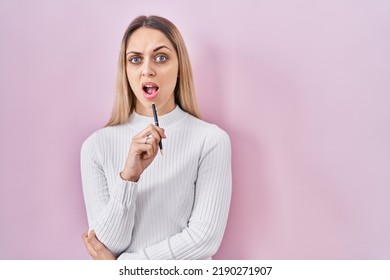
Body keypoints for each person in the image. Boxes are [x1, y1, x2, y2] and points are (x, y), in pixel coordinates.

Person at [80, 15, 232, 260]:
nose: (147, 70)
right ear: (125, 70)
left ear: (179, 66)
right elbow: (106, 245)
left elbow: (204, 239)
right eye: (135, 59)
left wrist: (125, 267)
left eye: (161, 58)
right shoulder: (96, 147)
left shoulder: (210, 140)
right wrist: (128, 178)